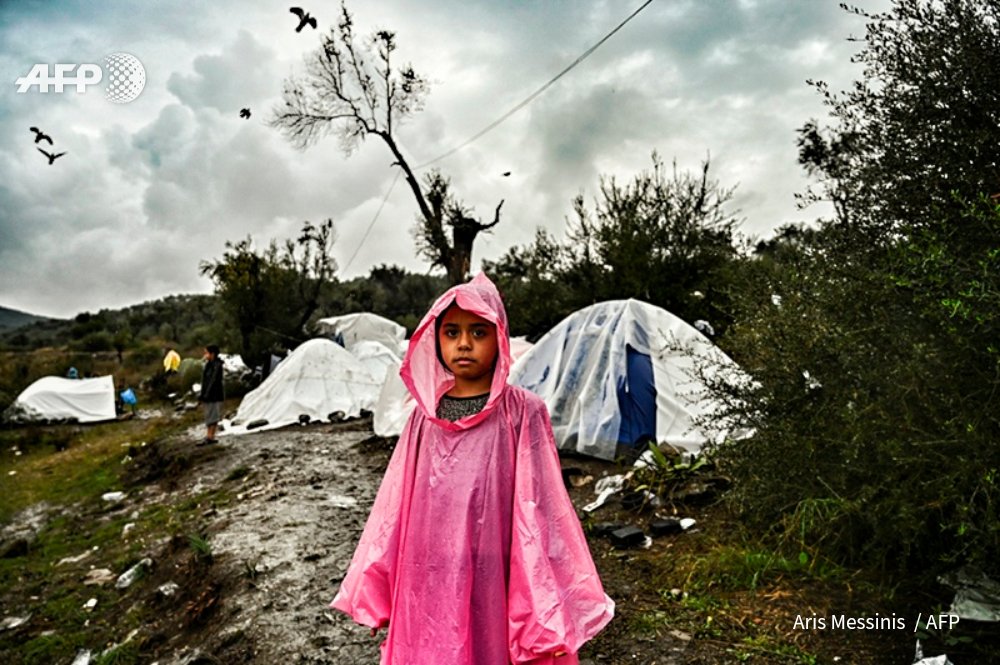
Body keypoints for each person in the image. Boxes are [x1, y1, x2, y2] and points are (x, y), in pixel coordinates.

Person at [331, 273, 614, 665]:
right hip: (427, 570)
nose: (463, 344)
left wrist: (542, 596)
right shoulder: (422, 419)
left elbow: (542, 509)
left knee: (487, 645)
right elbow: (393, 510)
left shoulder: (522, 412)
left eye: (478, 332)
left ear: (499, 337)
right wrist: (381, 583)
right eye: (452, 332)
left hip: (495, 570)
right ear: (436, 338)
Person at [199, 344, 224, 445]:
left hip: (214, 394)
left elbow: (213, 381)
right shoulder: (208, 365)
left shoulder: (217, 365)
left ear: (212, 354)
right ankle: (209, 436)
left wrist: (207, 393)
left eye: (206, 353)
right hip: (208, 395)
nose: (204, 355)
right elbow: (205, 381)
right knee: (208, 415)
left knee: (213, 415)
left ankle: (210, 437)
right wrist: (202, 394)